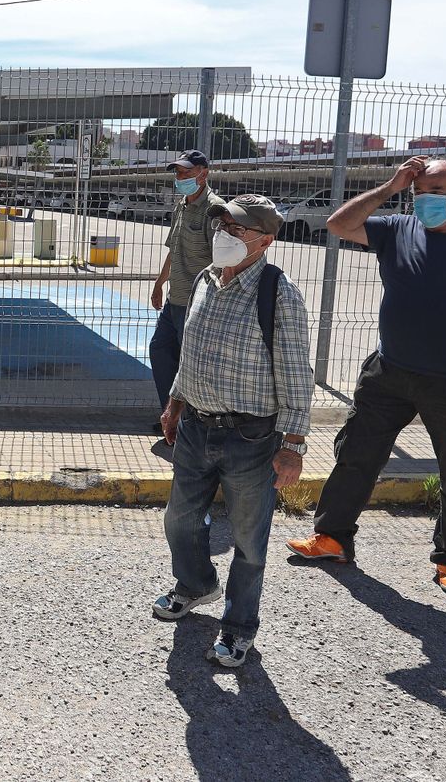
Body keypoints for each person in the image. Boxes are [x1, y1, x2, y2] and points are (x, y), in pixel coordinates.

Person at [287, 157, 446, 596]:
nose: (425, 201)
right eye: (418, 192)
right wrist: (391, 187)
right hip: (389, 372)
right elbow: (339, 224)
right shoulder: (397, 229)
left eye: (436, 192)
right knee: (356, 455)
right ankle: (332, 538)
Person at [155, 195, 311, 667]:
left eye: (236, 229)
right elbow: (191, 351)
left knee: (248, 541)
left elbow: (295, 374)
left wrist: (293, 445)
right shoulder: (205, 279)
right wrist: (175, 401)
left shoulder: (278, 293)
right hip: (195, 429)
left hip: (251, 439)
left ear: (265, 240)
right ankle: (196, 584)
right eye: (221, 226)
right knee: (179, 520)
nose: (223, 234)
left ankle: (239, 627)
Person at [150, 150, 226, 434]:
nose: (180, 177)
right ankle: (170, 418)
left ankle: (190, 426)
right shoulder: (181, 206)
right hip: (175, 299)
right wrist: (159, 283)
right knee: (160, 351)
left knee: (191, 364)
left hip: (198, 304)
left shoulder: (215, 211)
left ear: (203, 174)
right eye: (177, 173)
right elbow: (174, 250)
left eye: (186, 172)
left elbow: (223, 261)